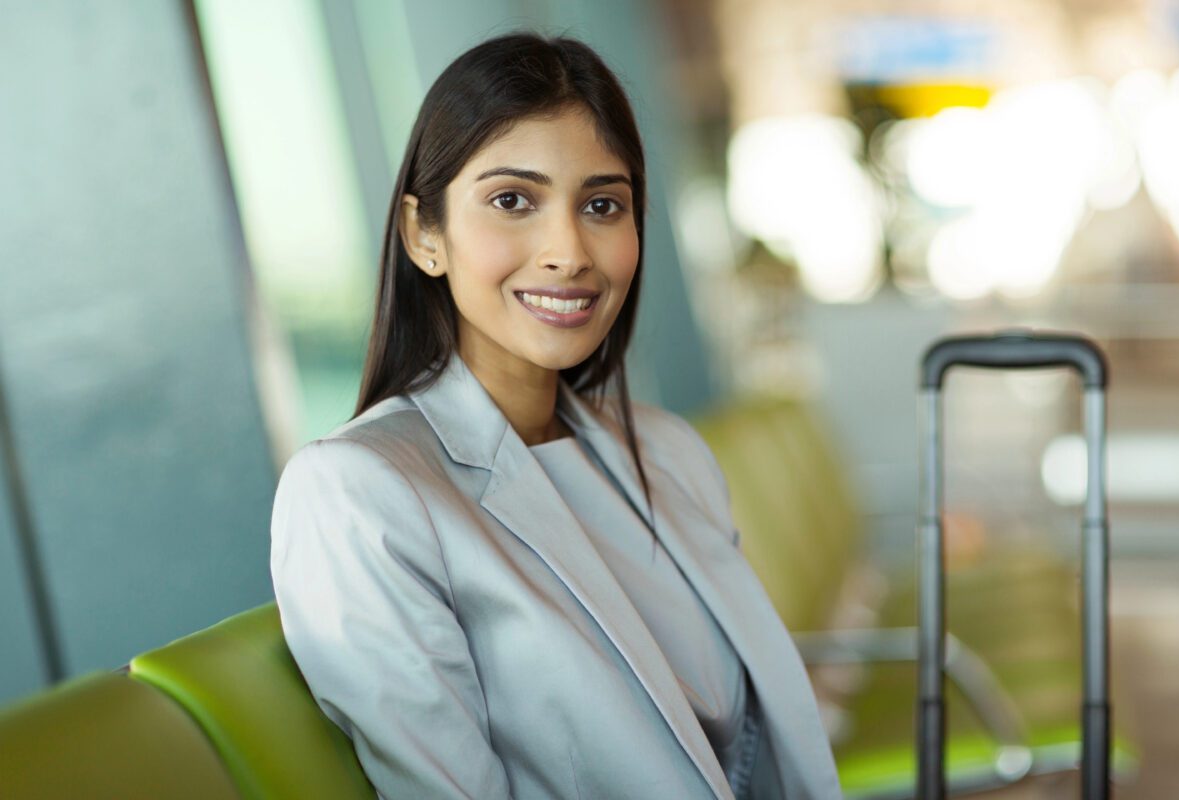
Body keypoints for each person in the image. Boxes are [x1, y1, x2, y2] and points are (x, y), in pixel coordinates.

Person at [269, 32, 841, 800]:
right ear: (423, 235)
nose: (568, 250)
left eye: (603, 205)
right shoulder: (360, 492)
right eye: (513, 201)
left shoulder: (670, 453)